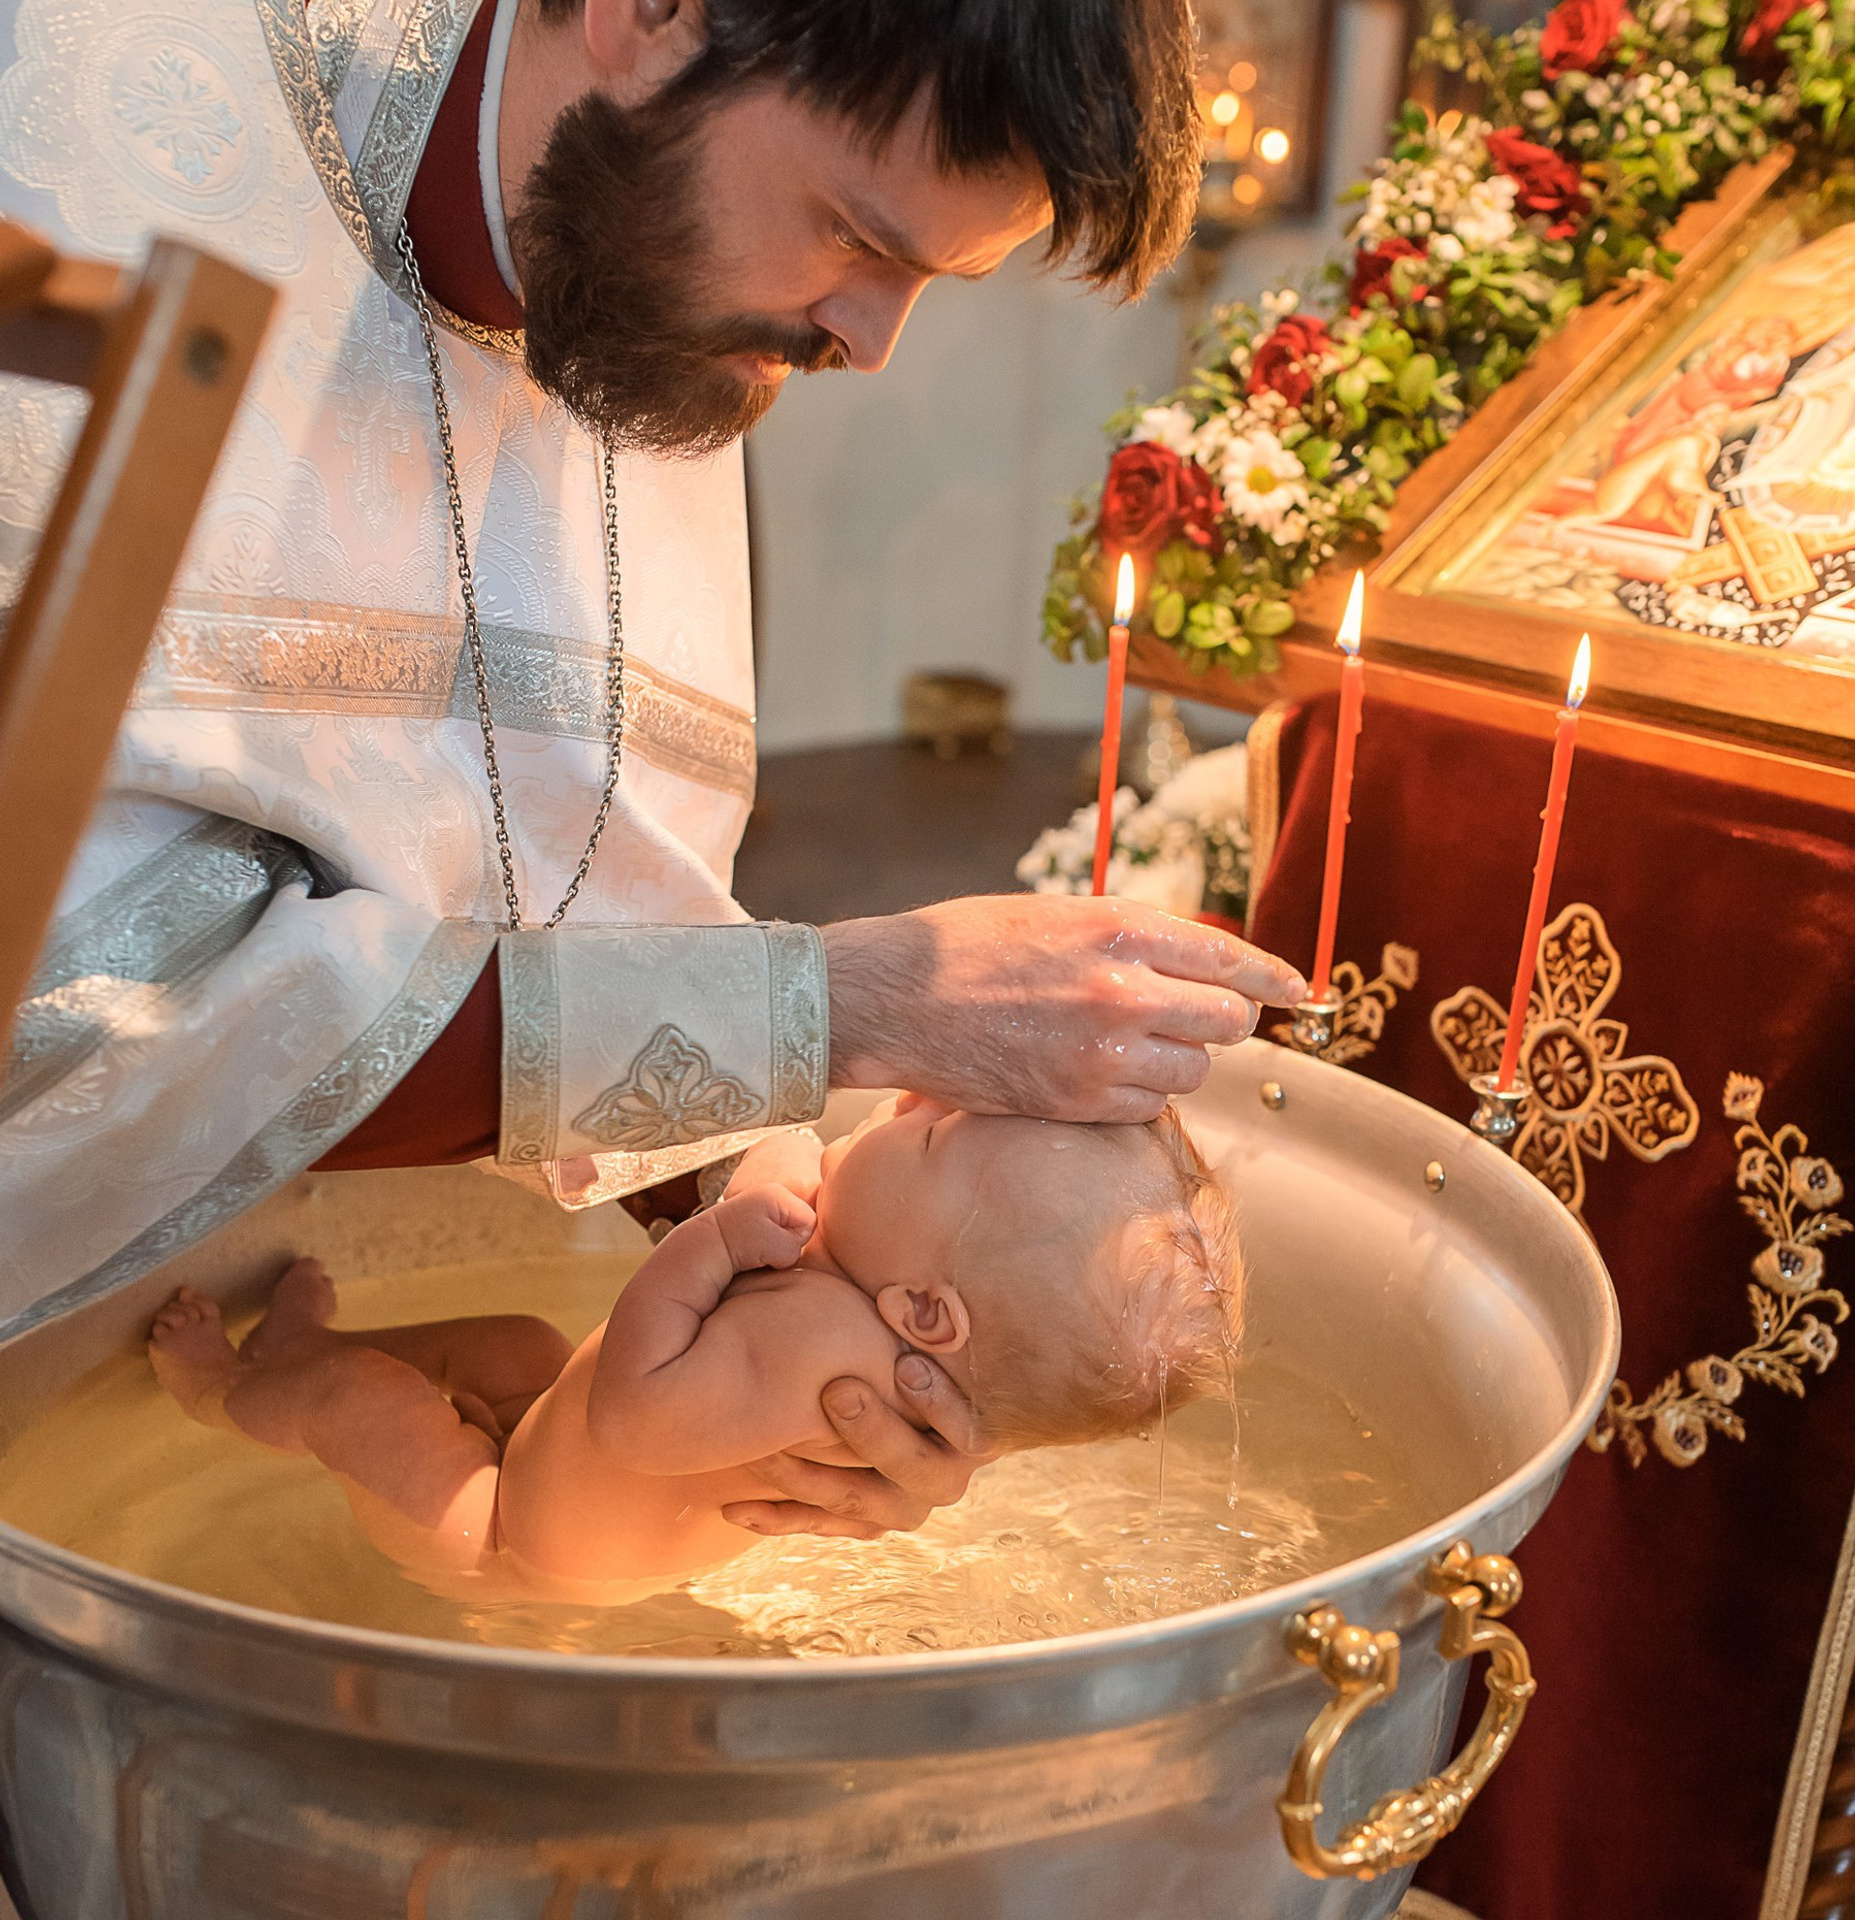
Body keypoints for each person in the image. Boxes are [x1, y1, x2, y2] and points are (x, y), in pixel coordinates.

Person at [0, 0, 1305, 1538]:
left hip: (262, 1307)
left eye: (931, 283)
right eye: (857, 237)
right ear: (647, 15)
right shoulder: (69, 138)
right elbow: (73, 1005)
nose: (869, 345)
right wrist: (843, 1008)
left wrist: (834, 1323)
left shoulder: (634, 282)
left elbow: (590, 885)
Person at [145, 1093, 1245, 1593]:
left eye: (927, 1131)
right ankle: (302, 1350)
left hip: (505, 1537)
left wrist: (713, 1242)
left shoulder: (826, 1335)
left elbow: (634, 1410)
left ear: (924, 1313)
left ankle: (225, 1385)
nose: (905, 1099)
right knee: (523, 1342)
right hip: (553, 1467)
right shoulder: (903, 1348)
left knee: (375, 1404)